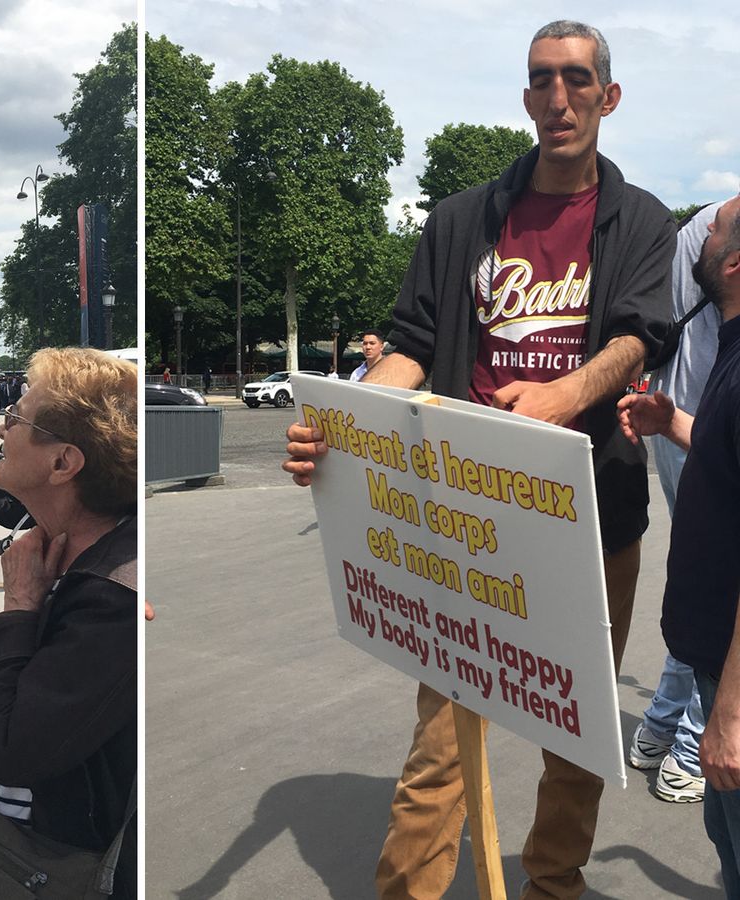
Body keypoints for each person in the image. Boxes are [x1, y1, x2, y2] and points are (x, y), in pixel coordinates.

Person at [284, 20, 675, 899]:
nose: (560, 98)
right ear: (527, 96)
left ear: (607, 97)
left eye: (578, 80)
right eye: (542, 80)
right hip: (469, 519)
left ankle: (552, 887)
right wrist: (341, 421)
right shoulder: (464, 219)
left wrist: (561, 400)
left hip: (594, 521)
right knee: (443, 739)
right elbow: (414, 342)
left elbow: (636, 336)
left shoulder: (642, 220)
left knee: (574, 733)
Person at [0, 347, 137, 897]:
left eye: (18, 417)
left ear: (63, 463)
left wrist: (20, 605)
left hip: (53, 860)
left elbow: (11, 752)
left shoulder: (111, 599)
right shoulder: (84, 555)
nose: (3, 427)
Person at [615, 194, 740, 896]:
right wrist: (676, 424)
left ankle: (680, 738)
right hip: (709, 655)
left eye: (714, 227)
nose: (699, 231)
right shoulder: (728, 349)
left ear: (732, 260)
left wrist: (726, 718)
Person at [625, 201, 724, 804]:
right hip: (715, 423)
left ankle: (661, 729)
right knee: (723, 596)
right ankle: (690, 750)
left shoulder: (704, 222)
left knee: (700, 581)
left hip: (676, 420)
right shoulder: (726, 224)